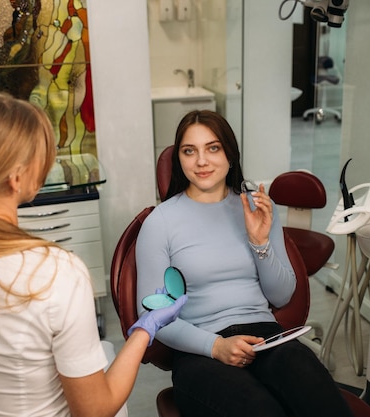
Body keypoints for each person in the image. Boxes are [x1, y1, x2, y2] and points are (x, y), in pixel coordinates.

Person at [0, 93, 186, 417]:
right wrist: (144, 329)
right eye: (41, 156)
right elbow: (95, 409)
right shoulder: (57, 274)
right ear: (15, 178)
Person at [135, 110, 353, 417]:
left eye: (213, 148)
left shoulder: (257, 208)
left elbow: (281, 295)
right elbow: (151, 314)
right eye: (189, 151)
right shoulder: (160, 223)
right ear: (179, 160)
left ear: (230, 153)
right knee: (260, 409)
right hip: (199, 350)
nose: (201, 161)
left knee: (317, 394)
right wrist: (215, 346)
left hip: (265, 336)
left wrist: (259, 241)